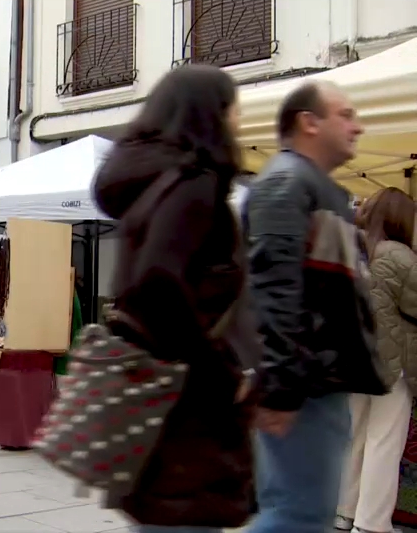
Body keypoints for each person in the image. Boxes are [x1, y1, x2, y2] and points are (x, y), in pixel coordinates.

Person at [91, 64, 259, 532]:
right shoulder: (192, 184)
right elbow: (158, 283)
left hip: (158, 403)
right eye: (233, 107)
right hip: (187, 413)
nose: (239, 119)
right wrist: (221, 372)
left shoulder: (155, 186)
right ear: (210, 113)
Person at [246, 81, 387, 533]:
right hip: (304, 386)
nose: (357, 126)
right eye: (345, 114)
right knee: (297, 516)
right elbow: (276, 287)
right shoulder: (286, 183)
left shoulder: (319, 190)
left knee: (302, 513)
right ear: (309, 122)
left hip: (318, 383)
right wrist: (283, 387)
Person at [336, 188, 417, 533]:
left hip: (354, 359)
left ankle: (344, 512)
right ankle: (371, 524)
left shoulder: (351, 249)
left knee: (354, 439)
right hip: (391, 365)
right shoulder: (399, 256)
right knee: (383, 443)